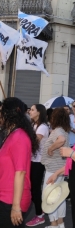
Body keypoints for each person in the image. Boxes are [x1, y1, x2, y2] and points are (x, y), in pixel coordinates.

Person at [0, 97, 38, 228]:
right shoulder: (11, 134)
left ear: (9, 113)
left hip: (12, 199)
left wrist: (16, 207)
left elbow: (20, 172)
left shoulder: (19, 137)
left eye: (1, 111)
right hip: (5, 195)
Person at [40, 108, 70, 228]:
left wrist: (50, 148)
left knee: (48, 196)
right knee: (60, 196)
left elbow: (61, 140)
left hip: (53, 169)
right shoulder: (64, 130)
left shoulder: (58, 131)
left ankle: (53, 223)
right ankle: (60, 223)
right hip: (60, 168)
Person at [26, 104, 49, 227]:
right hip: (32, 160)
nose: (30, 111)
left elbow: (33, 143)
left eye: (33, 109)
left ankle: (39, 215)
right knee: (32, 187)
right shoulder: (34, 125)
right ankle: (40, 209)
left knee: (35, 188)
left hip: (38, 161)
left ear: (39, 112)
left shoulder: (42, 127)